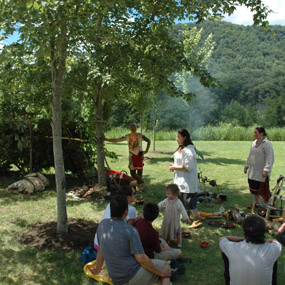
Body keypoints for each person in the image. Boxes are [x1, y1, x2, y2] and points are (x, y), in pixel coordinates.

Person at [90, 195, 172, 285]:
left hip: (115, 278)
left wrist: (98, 269)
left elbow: (101, 249)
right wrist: (160, 272)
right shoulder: (130, 230)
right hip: (132, 276)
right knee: (166, 266)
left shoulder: (102, 225)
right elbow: (141, 259)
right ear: (126, 212)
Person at [219, 215, 282, 285]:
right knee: (273, 256)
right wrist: (264, 240)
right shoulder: (272, 249)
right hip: (257, 240)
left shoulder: (232, 247)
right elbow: (274, 241)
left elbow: (222, 239)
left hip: (244, 241)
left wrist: (243, 238)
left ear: (244, 233)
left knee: (226, 253)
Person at [169, 129, 203, 228]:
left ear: (185, 137)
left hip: (187, 181)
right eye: (176, 137)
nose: (177, 139)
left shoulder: (189, 150)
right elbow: (181, 163)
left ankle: (197, 219)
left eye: (178, 137)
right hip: (181, 180)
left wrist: (174, 167)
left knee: (190, 202)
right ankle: (186, 216)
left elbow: (188, 167)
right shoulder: (182, 148)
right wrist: (174, 165)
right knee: (184, 200)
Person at [104, 123, 151, 187]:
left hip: (139, 155)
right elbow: (117, 140)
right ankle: (141, 182)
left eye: (133, 127)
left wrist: (146, 151)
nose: (133, 129)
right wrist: (106, 139)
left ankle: (139, 184)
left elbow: (148, 141)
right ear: (130, 128)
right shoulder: (128, 136)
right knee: (133, 172)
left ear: (134, 128)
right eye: (132, 127)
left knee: (138, 171)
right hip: (133, 156)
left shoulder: (139, 135)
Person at [93, 185, 136, 250]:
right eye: (134, 193)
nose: (135, 195)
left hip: (97, 242)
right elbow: (129, 231)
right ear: (128, 197)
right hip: (109, 248)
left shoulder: (111, 203)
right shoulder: (131, 209)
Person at [244, 127, 274, 211]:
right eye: (254, 132)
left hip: (261, 172)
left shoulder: (267, 144)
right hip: (253, 171)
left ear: (261, 134)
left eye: (256, 133)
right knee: (254, 189)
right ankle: (256, 203)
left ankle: (266, 205)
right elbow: (250, 156)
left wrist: (266, 170)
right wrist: (246, 166)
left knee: (264, 191)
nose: (254, 134)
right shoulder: (254, 143)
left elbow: (270, 158)